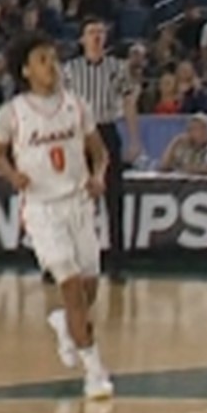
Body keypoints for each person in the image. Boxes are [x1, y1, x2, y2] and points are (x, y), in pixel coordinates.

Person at [0, 33, 115, 399]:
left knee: (89, 288)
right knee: (72, 288)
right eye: (43, 60)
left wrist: (98, 176)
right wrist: (13, 175)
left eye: (54, 58)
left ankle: (64, 324)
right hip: (42, 209)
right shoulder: (11, 113)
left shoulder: (78, 106)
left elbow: (100, 152)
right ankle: (94, 371)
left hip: (78, 203)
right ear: (26, 70)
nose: (52, 66)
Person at [61, 20, 140, 282]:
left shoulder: (117, 68)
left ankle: (117, 263)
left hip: (105, 131)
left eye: (100, 33)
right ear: (82, 39)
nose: (96, 37)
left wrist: (133, 138)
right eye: (91, 32)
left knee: (113, 198)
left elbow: (128, 102)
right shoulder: (70, 69)